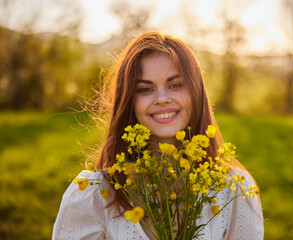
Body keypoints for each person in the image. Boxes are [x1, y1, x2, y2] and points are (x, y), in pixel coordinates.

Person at [53, 31, 264, 240]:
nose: (162, 99)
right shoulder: (94, 193)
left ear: (196, 93)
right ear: (129, 101)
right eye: (145, 89)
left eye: (175, 85)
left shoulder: (234, 191)